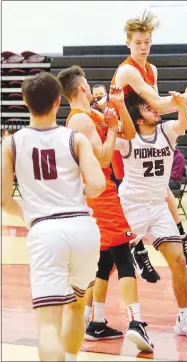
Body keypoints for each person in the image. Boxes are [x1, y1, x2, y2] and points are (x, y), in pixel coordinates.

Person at [1, 72, 106, 362]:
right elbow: (98, 185)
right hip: (83, 228)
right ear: (59, 102)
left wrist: (28, 214)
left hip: (45, 231)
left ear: (24, 102)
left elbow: (2, 198)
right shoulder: (75, 138)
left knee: (48, 324)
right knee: (76, 304)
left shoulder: (11, 144)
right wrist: (75, 192)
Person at [57, 66, 154, 353]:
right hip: (100, 195)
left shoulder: (92, 115)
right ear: (83, 88)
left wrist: (120, 106)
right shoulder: (81, 122)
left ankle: (96, 322)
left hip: (102, 192)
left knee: (104, 261)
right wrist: (111, 129)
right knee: (124, 255)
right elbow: (101, 157)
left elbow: (129, 132)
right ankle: (136, 322)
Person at [110, 9, 187, 273]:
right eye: (138, 43)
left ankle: (180, 237)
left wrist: (179, 108)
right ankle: (138, 249)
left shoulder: (152, 69)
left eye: (147, 42)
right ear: (128, 43)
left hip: (143, 131)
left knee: (160, 186)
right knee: (126, 195)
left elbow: (156, 109)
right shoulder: (126, 71)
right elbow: (157, 102)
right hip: (124, 136)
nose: (143, 47)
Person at [116, 91, 187, 340]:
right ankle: (92, 312)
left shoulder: (166, 131)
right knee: (109, 264)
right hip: (131, 206)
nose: (155, 108)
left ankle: (184, 320)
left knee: (178, 260)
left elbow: (183, 123)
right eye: (147, 107)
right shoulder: (128, 139)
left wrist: (180, 105)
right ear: (139, 120)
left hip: (158, 206)